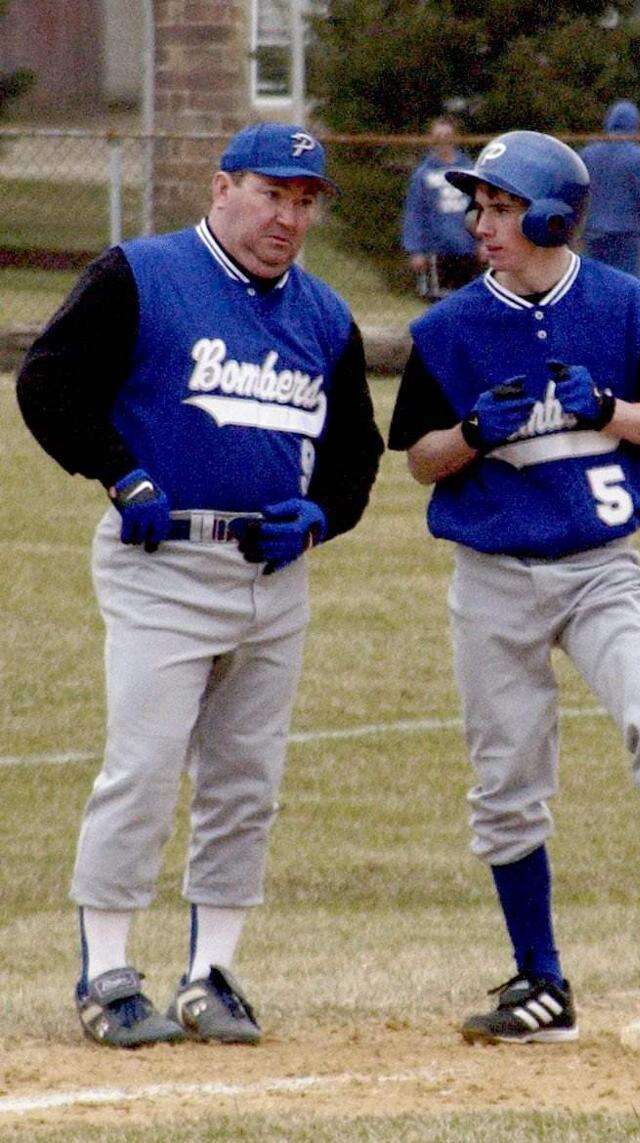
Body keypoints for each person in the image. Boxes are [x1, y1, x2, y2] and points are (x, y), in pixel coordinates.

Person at [16, 122, 384, 1049]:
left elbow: (352, 453)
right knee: (141, 768)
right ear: (222, 188)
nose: (287, 216)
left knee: (245, 781)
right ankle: (106, 971)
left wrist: (324, 515)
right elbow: (49, 382)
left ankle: (211, 971)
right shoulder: (142, 274)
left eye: (305, 200)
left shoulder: (326, 317)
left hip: (270, 574)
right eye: (272, 192)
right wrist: (117, 470)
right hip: (161, 561)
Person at [388, 130, 640, 1045]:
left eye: (502, 209)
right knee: (507, 778)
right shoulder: (446, 328)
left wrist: (608, 409)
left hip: (604, 570)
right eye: (479, 207)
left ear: (552, 216)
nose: (482, 225)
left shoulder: (628, 305)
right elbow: (422, 463)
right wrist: (472, 431)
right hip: (494, 579)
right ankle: (538, 982)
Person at [580, 100, 640, 278]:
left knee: (596, 282)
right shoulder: (638, 157)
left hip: (593, 230)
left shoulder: (588, 154)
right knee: (627, 285)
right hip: (627, 234)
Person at [401, 117, 481, 299]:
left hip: (467, 248)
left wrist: (483, 242)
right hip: (437, 250)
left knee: (470, 299)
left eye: (447, 135)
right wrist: (416, 250)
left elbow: (481, 208)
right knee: (441, 299)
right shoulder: (423, 174)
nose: (443, 140)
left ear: (455, 137)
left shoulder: (469, 170)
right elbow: (415, 213)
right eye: (438, 136)